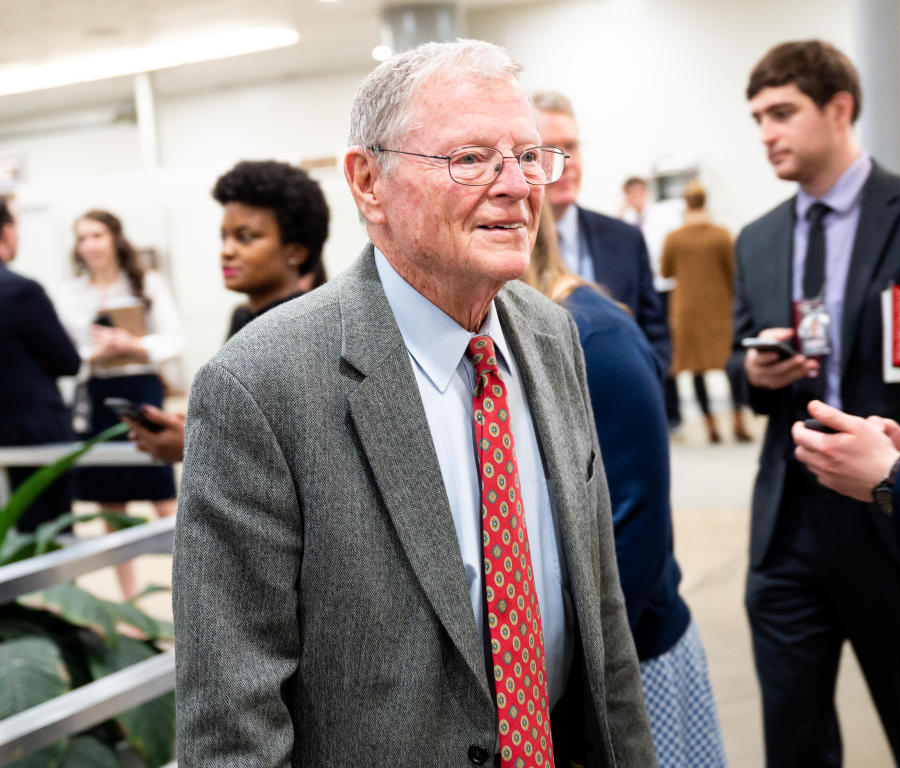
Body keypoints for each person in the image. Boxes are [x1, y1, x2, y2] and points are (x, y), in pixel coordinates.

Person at [173, 39, 654, 767]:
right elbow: (232, 720)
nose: (518, 186)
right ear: (368, 182)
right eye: (470, 159)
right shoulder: (261, 387)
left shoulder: (552, 337)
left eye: (529, 156)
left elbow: (601, 618)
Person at [730, 39, 900, 767]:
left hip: (894, 519)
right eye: (757, 117)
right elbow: (740, 359)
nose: (767, 132)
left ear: (839, 108)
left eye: (782, 112)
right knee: (792, 739)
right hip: (788, 527)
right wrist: (755, 375)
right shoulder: (758, 239)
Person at [525, 204, 727, 768]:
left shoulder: (595, 332)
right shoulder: (512, 330)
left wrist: (585, 674)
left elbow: (635, 527)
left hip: (633, 657)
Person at [124, 160, 330, 464]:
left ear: (296, 251)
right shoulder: (244, 318)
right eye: (225, 236)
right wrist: (196, 427)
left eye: (246, 237)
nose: (227, 250)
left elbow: (307, 450)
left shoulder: (308, 329)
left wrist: (193, 443)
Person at [55, 209, 183, 598]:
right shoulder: (69, 292)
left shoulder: (147, 282)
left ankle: (190, 589)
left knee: (162, 492)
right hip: (97, 392)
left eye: (97, 235)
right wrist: (94, 352)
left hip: (142, 387)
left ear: (114, 238)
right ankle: (129, 596)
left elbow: (175, 339)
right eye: (82, 238)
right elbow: (64, 351)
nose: (90, 245)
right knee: (112, 499)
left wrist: (134, 344)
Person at [532, 91, 671, 378]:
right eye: (548, 151)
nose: (566, 162)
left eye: (571, 147)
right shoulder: (508, 247)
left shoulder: (625, 239)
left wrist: (641, 382)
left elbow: (655, 333)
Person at [0, 197, 80, 531]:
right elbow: (67, 361)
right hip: (32, 437)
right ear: (6, 232)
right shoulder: (19, 291)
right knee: (48, 540)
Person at [661, 180, 751, 444]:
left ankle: (710, 424)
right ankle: (737, 420)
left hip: (687, 309)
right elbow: (734, 271)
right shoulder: (722, 234)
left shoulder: (674, 237)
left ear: (686, 204)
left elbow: (666, 271)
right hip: (720, 307)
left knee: (696, 368)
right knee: (727, 363)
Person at [621, 176, 683, 430]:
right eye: (631, 194)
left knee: (664, 348)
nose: (636, 199)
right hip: (638, 293)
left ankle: (673, 414)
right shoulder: (623, 222)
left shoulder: (663, 216)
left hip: (663, 289)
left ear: (645, 193)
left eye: (639, 193)